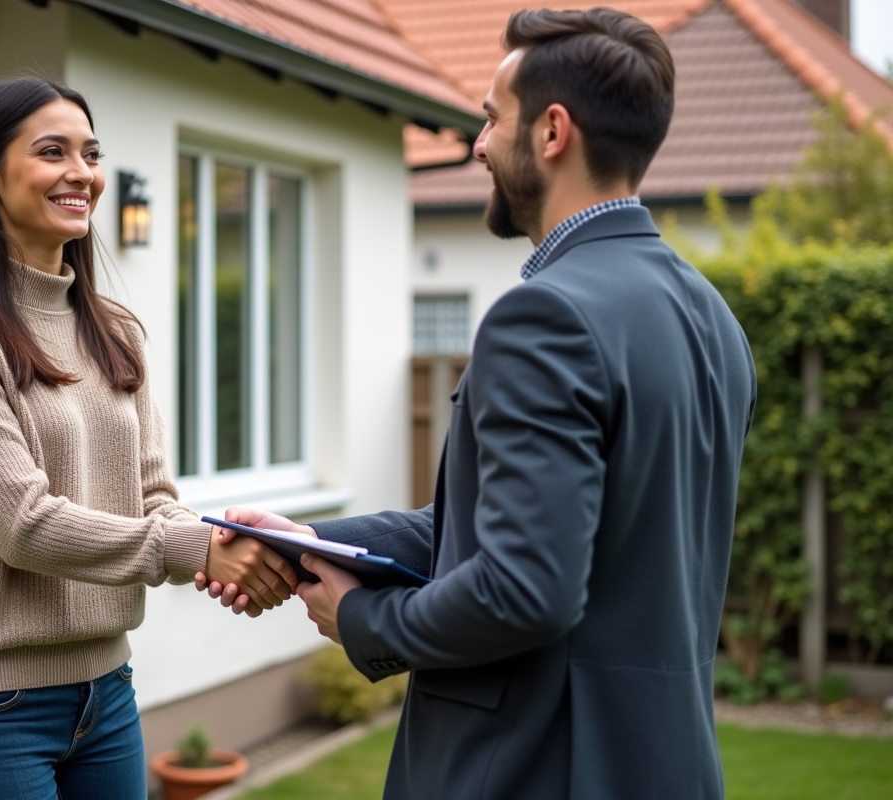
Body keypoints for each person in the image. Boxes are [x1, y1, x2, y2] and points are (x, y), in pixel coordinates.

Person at [197, 8, 757, 799]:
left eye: (492, 118)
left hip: (536, 767)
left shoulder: (548, 316)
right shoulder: (714, 321)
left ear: (552, 131)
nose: (478, 144)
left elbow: (525, 589)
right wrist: (313, 541)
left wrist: (365, 624)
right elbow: (509, 523)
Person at [0, 77, 297, 800]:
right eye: (53, 152)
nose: (82, 173)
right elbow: (20, 524)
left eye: (91, 153)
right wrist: (196, 550)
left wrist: (230, 546)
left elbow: (155, 501)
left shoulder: (114, 328)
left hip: (105, 695)